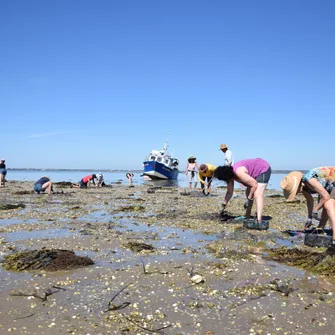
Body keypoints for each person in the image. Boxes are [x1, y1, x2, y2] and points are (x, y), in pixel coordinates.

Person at [280, 167, 335, 248]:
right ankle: (320, 228)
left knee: (328, 204)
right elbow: (310, 200)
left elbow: (326, 196)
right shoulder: (304, 187)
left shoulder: (310, 180)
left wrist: (315, 210)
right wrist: (309, 217)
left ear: (298, 185)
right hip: (328, 186)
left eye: (295, 191)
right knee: (324, 203)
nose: (297, 193)